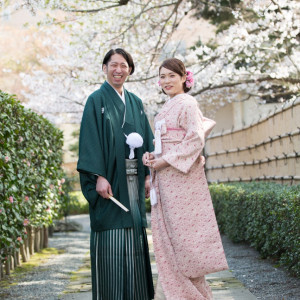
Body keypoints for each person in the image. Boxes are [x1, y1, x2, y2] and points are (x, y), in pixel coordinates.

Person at [143, 58, 228, 300]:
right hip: (166, 177)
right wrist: (152, 156)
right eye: (162, 76)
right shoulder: (166, 106)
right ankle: (178, 294)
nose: (166, 81)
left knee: (182, 239)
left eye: (172, 75)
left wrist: (166, 160)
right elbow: (165, 143)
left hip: (181, 178)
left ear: (183, 78)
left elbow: (195, 139)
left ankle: (188, 295)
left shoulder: (188, 103)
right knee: (169, 236)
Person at [77, 48, 155, 300]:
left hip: (133, 180)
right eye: (113, 65)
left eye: (123, 65)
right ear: (104, 68)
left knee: (133, 238)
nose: (118, 70)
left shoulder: (135, 102)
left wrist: (147, 174)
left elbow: (147, 140)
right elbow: (90, 141)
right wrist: (97, 175)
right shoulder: (95, 101)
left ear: (130, 69)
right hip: (109, 180)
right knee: (111, 239)